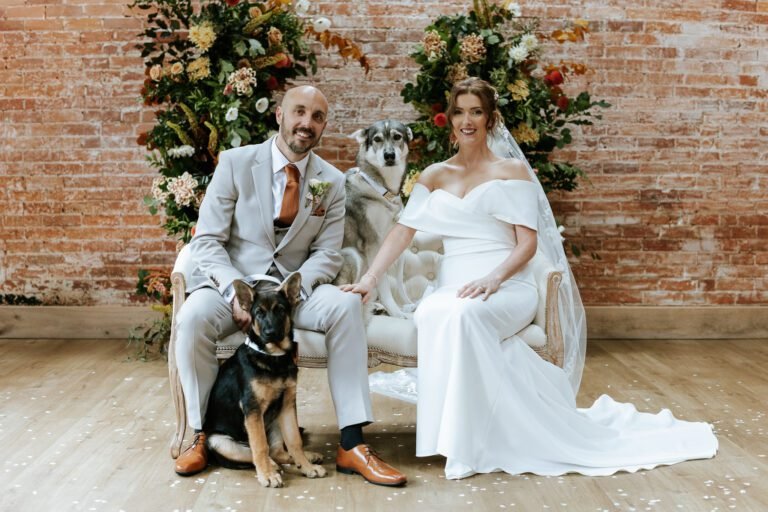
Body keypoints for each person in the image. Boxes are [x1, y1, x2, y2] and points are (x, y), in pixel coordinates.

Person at [341, 78, 718, 479]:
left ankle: (471, 445)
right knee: (436, 312)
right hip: (452, 288)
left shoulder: (512, 170)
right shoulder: (434, 174)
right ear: (449, 119)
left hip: (508, 285)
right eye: (460, 112)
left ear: (490, 118)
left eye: (476, 112)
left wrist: (494, 278)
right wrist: (369, 278)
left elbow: (527, 245)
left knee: (466, 315)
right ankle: (451, 436)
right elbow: (403, 231)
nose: (467, 120)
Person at [173, 85, 406, 486]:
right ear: (279, 114)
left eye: (317, 117)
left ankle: (352, 442)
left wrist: (296, 289)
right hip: (236, 286)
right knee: (192, 316)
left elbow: (329, 253)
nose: (306, 123)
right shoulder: (234, 163)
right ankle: (198, 433)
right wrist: (233, 291)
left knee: (346, 307)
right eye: (299, 112)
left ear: (323, 126)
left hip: (292, 294)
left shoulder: (330, 182)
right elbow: (207, 241)